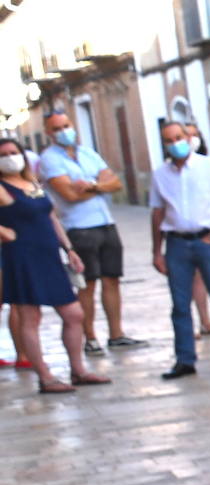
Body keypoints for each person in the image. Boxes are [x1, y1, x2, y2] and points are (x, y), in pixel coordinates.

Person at [0, 137, 111, 393]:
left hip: (50, 256)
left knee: (74, 314)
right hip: (22, 257)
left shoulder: (32, 183)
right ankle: (45, 377)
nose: (9, 157)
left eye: (13, 152)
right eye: (3, 154)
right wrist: (5, 232)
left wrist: (69, 248)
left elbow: (51, 217)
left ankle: (78, 370)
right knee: (31, 317)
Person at [38, 111, 147, 356]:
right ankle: (90, 337)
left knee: (112, 279)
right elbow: (69, 195)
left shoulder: (88, 153)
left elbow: (115, 183)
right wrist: (98, 185)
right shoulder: (49, 160)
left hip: (105, 223)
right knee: (87, 284)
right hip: (78, 228)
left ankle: (116, 334)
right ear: (48, 133)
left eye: (66, 125)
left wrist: (92, 185)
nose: (64, 131)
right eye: (57, 128)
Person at [149, 121, 210, 379]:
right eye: (170, 139)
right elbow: (157, 213)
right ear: (164, 144)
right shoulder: (160, 175)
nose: (176, 143)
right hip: (176, 244)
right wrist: (157, 251)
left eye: (179, 137)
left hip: (206, 242)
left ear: (188, 138)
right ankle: (184, 359)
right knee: (179, 305)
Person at [182, 122, 210, 336]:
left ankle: (207, 319)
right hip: (186, 234)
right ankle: (201, 320)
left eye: (195, 134)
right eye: (187, 135)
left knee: (209, 279)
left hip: (209, 232)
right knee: (190, 280)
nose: (191, 139)